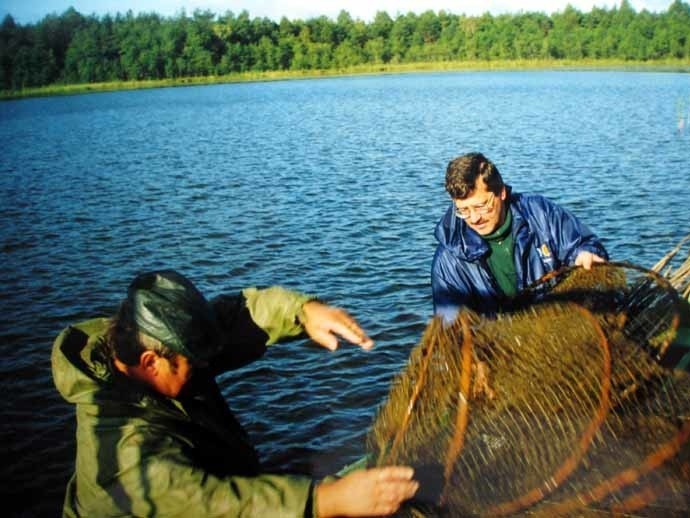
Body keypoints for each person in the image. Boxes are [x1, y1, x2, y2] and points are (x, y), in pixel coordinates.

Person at [52, 270, 418, 517]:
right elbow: (215, 505)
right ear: (150, 362)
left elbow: (233, 319)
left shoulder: (153, 348)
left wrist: (303, 312)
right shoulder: (123, 457)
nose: (202, 367)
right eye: (192, 364)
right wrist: (324, 500)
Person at [432, 152, 608, 321]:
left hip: (558, 324)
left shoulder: (541, 214)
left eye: (481, 206)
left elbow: (582, 245)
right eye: (463, 210)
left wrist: (586, 253)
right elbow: (451, 325)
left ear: (501, 192)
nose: (474, 218)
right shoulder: (448, 261)